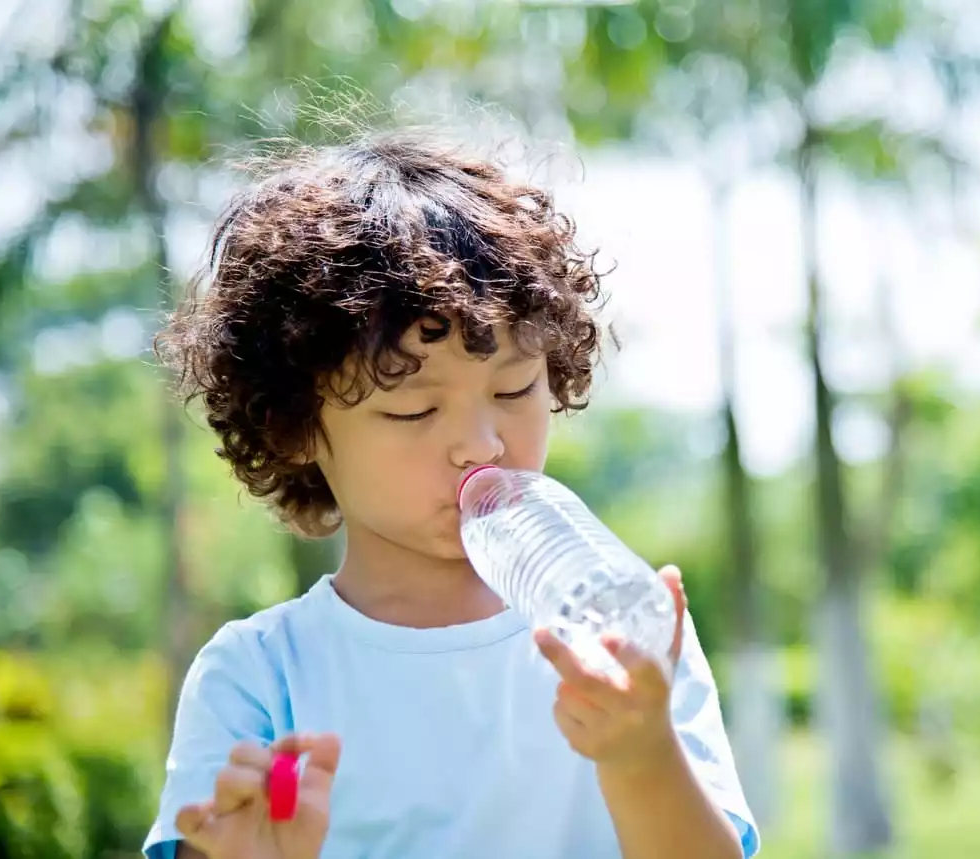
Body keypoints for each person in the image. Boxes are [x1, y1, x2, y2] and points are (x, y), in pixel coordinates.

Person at [145, 129, 760, 859]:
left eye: (514, 387)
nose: (481, 444)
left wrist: (642, 755)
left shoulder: (622, 644)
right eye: (413, 409)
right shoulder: (262, 673)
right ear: (295, 426)